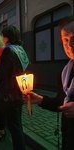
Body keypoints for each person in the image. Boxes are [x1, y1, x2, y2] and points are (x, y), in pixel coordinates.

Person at [23, 15, 74, 150]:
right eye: (65, 40)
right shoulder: (64, 73)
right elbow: (60, 103)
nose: (70, 45)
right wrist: (39, 99)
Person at [0, 26, 29, 150]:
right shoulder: (20, 49)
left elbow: (2, 73)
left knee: (14, 127)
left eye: (2, 36)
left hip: (10, 93)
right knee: (18, 124)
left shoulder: (8, 50)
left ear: (6, 38)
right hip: (20, 89)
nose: (2, 39)